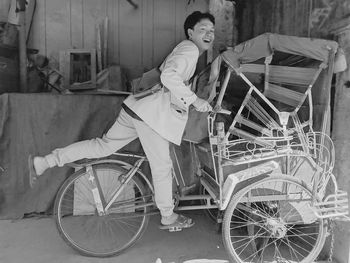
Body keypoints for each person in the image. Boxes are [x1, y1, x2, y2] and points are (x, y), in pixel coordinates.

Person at [28, 11, 215, 230]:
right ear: (190, 32)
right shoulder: (190, 49)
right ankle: (167, 216)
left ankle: (45, 162)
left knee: (102, 146)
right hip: (151, 117)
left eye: (211, 30)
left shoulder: (187, 50)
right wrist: (195, 101)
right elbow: (169, 76)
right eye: (203, 29)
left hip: (136, 108)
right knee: (162, 166)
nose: (209, 34)